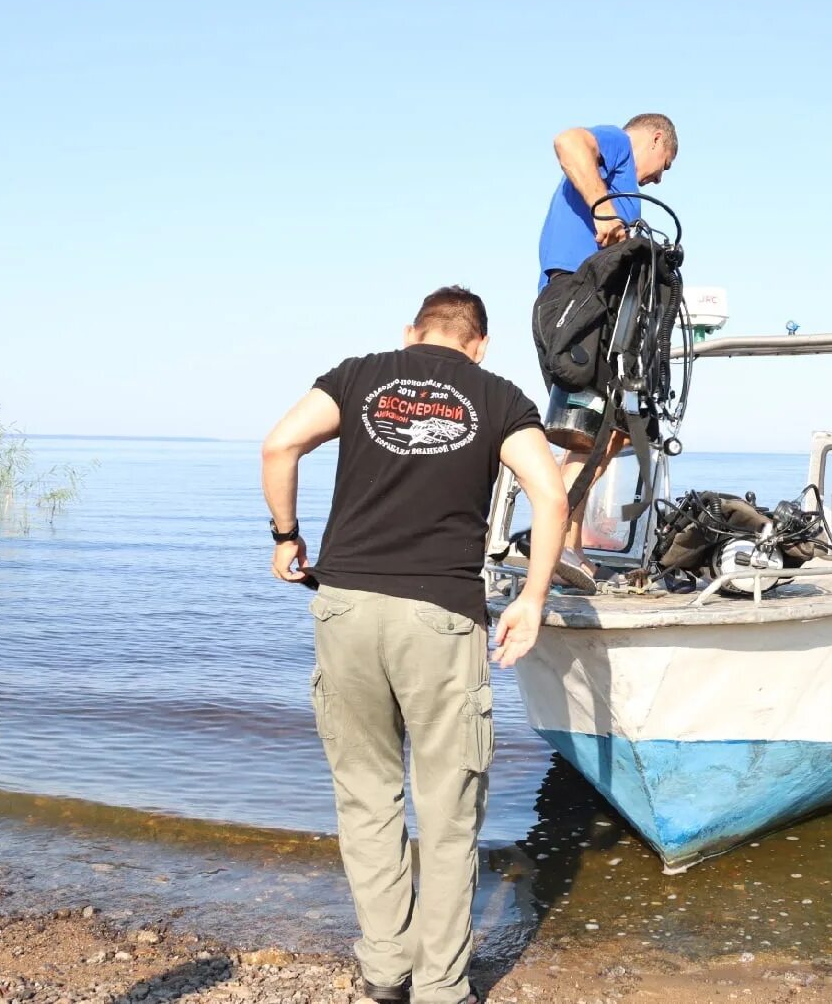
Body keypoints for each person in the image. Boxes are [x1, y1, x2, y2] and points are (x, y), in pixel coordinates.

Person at [260, 286, 567, 1004]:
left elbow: (280, 443)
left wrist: (285, 535)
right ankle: (441, 988)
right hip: (439, 616)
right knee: (450, 811)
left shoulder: (359, 374)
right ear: (479, 343)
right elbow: (550, 496)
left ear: (411, 332)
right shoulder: (496, 395)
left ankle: (384, 972)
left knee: (368, 800)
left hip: (345, 609)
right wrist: (533, 598)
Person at [536, 113, 678, 589]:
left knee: (605, 434)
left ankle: (567, 547)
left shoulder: (628, 201)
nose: (658, 177)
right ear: (656, 138)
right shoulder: (616, 146)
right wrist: (602, 207)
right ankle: (553, 540)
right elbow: (568, 140)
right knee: (590, 433)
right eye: (665, 163)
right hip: (576, 302)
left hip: (594, 311)